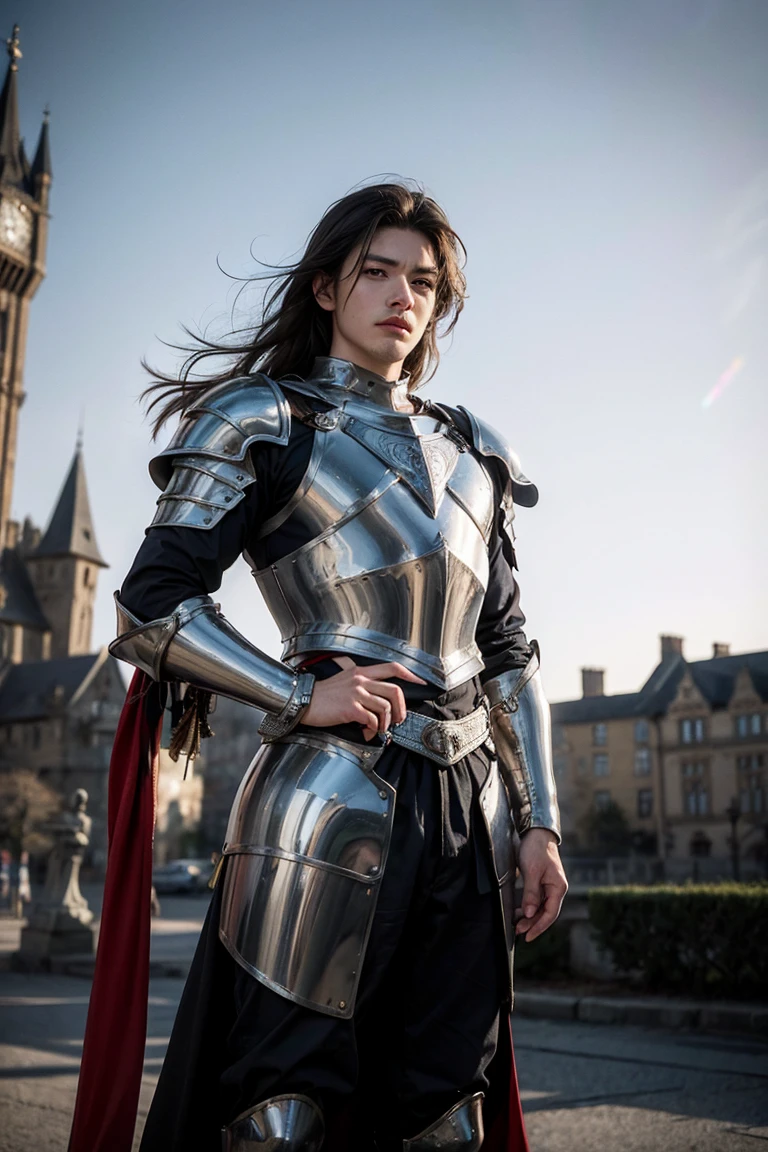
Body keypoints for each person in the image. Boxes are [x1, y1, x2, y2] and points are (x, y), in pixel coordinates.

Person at [111, 182, 567, 1151]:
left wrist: (543, 824)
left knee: (450, 1119)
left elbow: (509, 650)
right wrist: (297, 694)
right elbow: (150, 607)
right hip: (327, 797)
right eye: (378, 272)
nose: (405, 295)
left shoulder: (478, 452)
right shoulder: (262, 419)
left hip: (474, 814)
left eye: (425, 281)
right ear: (326, 287)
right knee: (280, 1119)